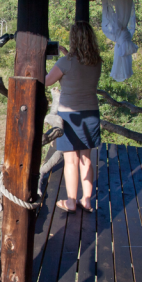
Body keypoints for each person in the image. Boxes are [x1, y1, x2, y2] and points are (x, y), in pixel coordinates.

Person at [45, 21, 102, 212]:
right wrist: (65, 55)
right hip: (91, 114)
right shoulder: (96, 61)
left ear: (73, 39)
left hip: (70, 117)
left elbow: (46, 81)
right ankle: (86, 200)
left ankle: (70, 201)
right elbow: (79, 69)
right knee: (86, 159)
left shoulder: (65, 62)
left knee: (71, 160)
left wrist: (58, 60)